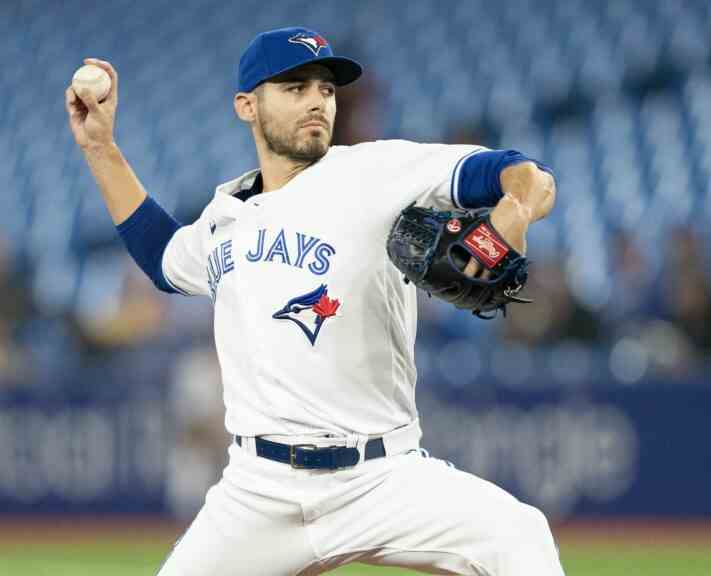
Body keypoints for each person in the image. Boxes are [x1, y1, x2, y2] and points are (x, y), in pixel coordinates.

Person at [65, 26, 560, 576]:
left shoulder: (374, 171)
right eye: (295, 87)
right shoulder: (224, 217)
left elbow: (523, 174)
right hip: (258, 491)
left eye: (325, 89)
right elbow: (162, 258)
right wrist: (101, 148)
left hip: (382, 476)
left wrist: (509, 217)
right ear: (246, 106)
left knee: (519, 536)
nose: (317, 102)